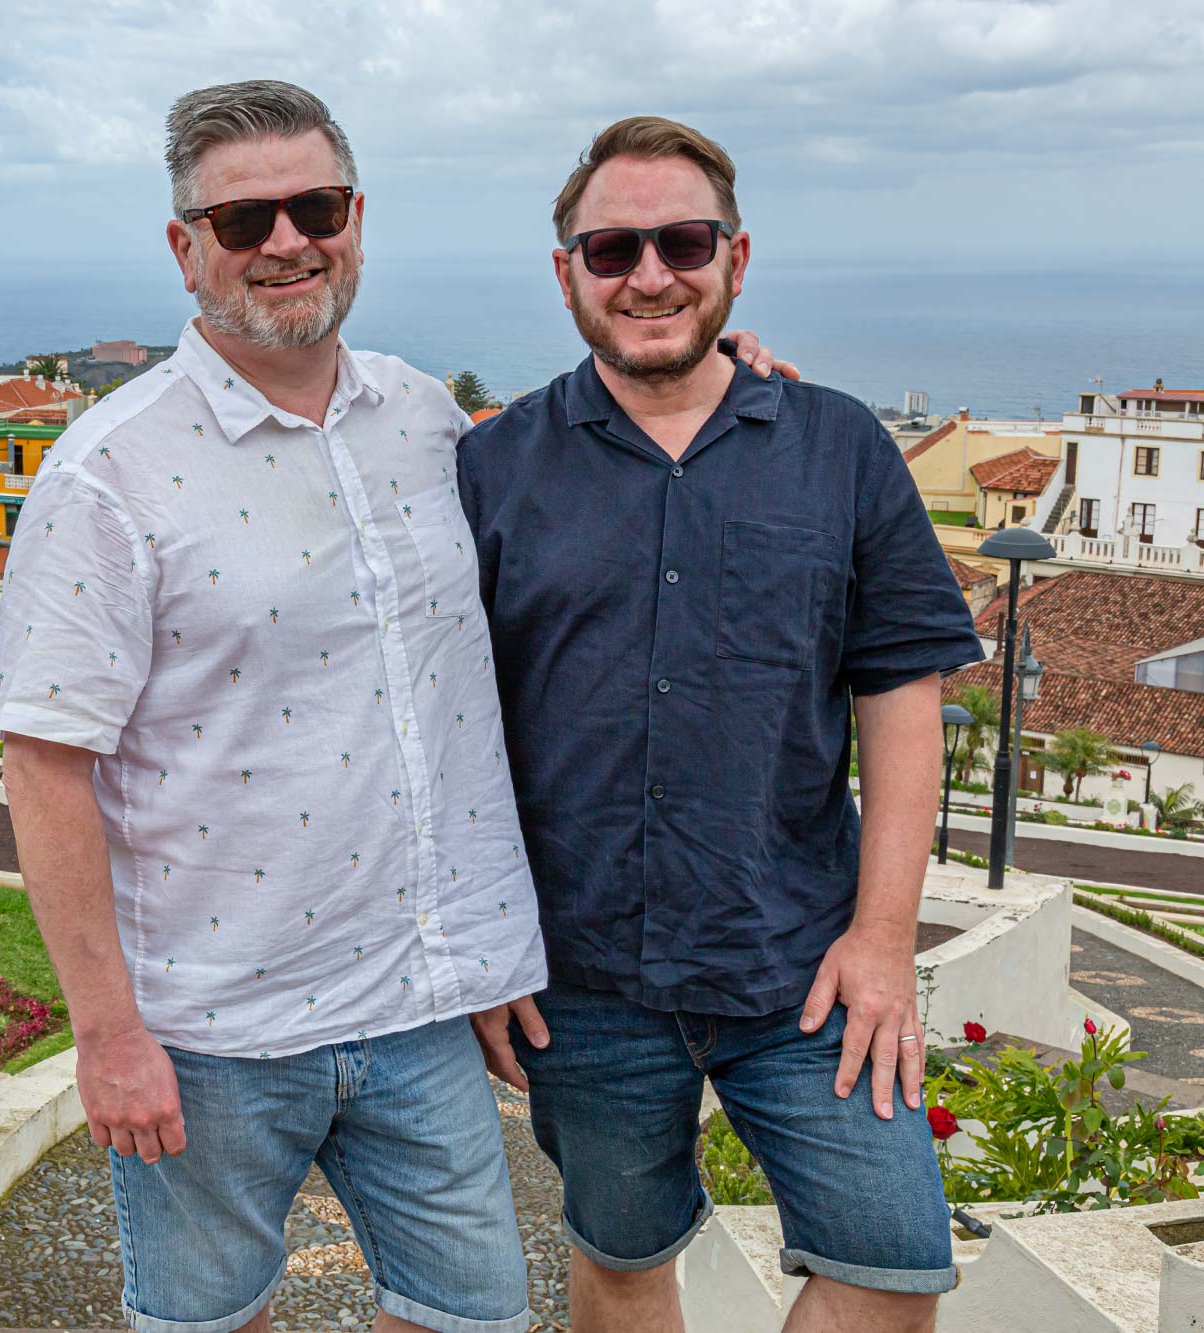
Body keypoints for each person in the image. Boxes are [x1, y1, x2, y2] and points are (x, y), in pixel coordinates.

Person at [0, 82, 789, 1333]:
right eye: (242, 217)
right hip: (212, 1030)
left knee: (474, 1312)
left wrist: (717, 375)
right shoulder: (108, 472)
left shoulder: (419, 416)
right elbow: (44, 765)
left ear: (355, 218)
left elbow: (581, 460)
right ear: (184, 245)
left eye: (312, 206)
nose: (283, 241)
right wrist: (106, 1035)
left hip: (416, 1013)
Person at [458, 117, 983, 1333]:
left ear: (734, 258)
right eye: (612, 248)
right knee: (623, 1260)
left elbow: (901, 694)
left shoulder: (837, 446)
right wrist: (478, 948)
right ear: (565, 274)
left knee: (891, 1269)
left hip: (801, 964)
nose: (649, 273)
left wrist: (884, 938)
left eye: (681, 240)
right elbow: (446, 733)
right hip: (575, 976)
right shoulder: (489, 468)